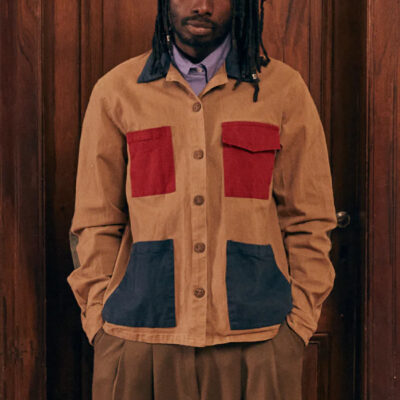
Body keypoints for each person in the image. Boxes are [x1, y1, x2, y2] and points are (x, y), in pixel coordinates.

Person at [67, 0, 337, 399]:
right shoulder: (116, 91)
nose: (202, 6)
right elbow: (95, 220)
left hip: (259, 338)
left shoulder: (282, 89)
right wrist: (98, 320)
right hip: (138, 337)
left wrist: (298, 323)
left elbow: (309, 217)